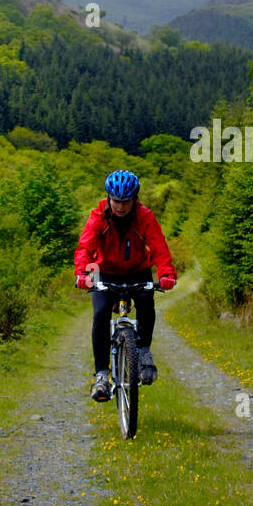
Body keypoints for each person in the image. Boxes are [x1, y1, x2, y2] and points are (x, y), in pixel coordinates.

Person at [74, 169, 176, 402]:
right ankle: (101, 376)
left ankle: (144, 352)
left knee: (145, 301)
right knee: (100, 314)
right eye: (116, 200)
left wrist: (167, 273)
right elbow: (85, 247)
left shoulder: (145, 217)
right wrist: (82, 273)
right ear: (109, 198)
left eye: (126, 201)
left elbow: (159, 247)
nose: (120, 206)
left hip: (137, 270)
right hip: (105, 272)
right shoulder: (98, 216)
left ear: (134, 200)